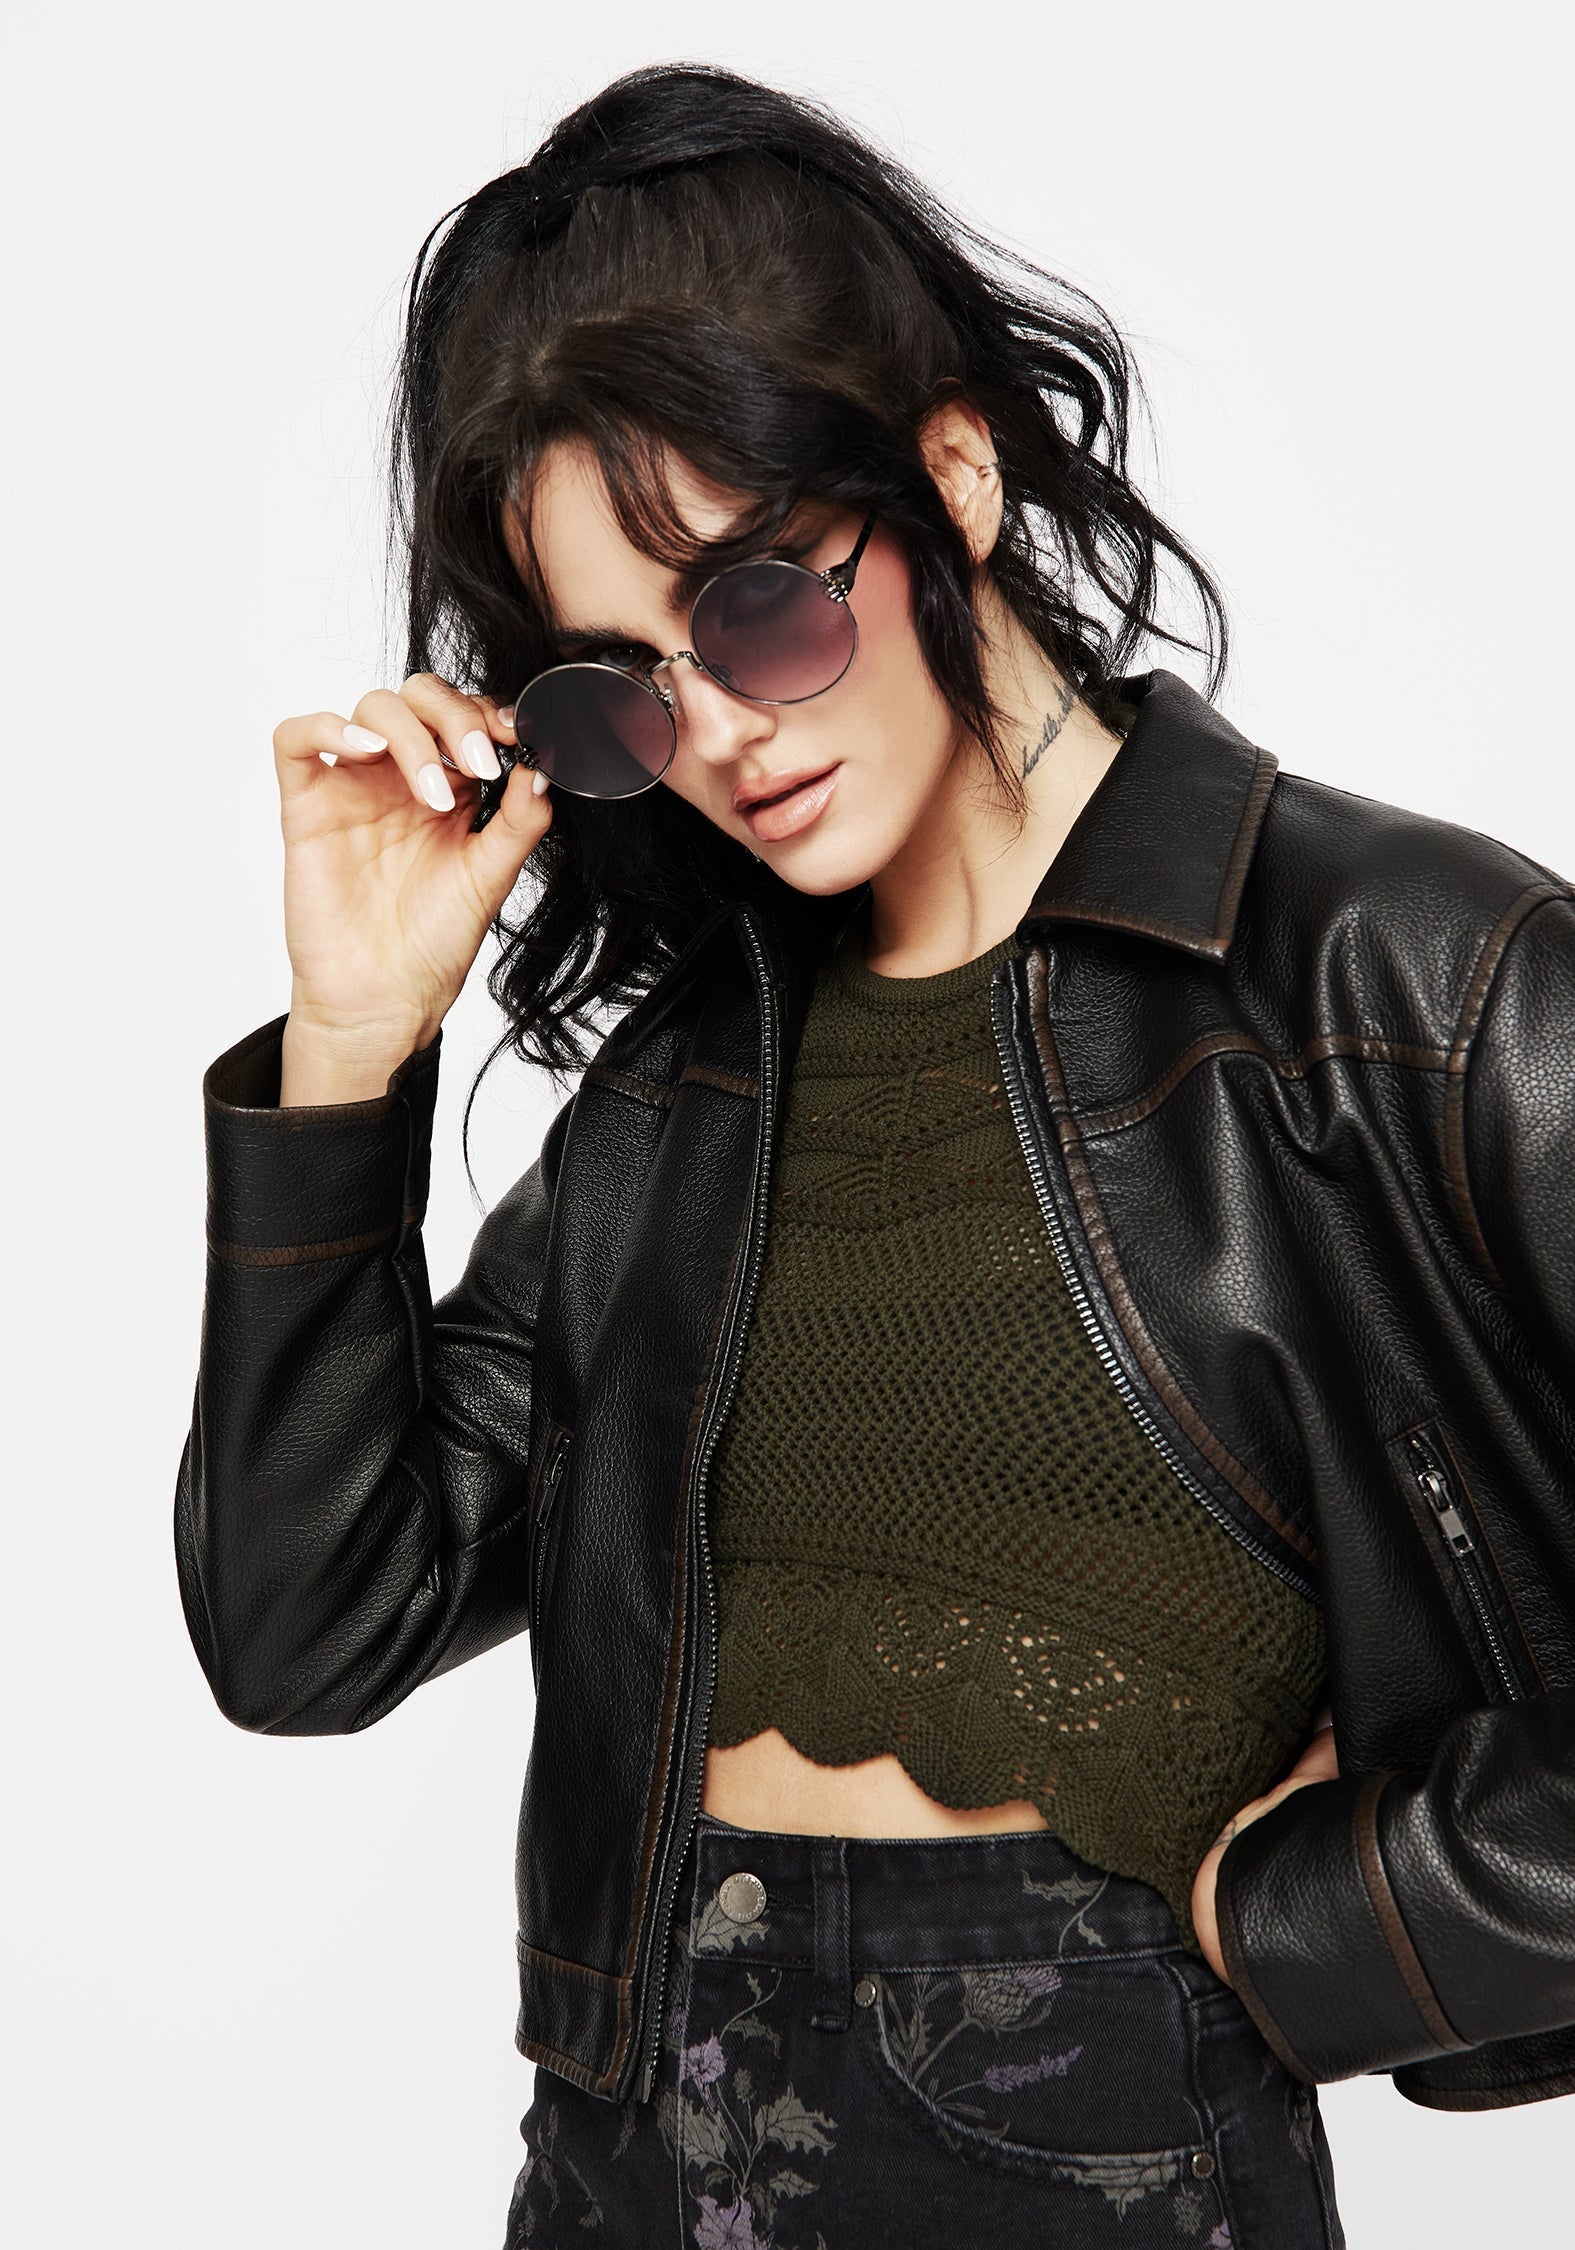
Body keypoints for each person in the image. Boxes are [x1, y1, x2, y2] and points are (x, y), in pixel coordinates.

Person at [174, 63, 1575, 2250]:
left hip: (1094, 2145)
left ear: (953, 476)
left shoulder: (1400, 981)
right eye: (625, 689)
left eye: (758, 606)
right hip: (623, 2156)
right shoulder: (684, 1096)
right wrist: (349, 1055)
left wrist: (1352, 1913)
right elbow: (306, 1630)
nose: (721, 732)